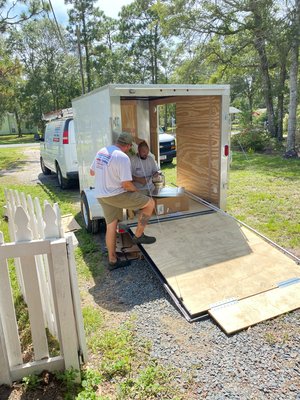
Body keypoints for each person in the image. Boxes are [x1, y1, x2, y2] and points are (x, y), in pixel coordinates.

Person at [90, 132, 156, 270]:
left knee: (111, 226)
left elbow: (92, 172)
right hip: (115, 195)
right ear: (128, 146)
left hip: (101, 195)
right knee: (150, 203)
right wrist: (137, 192)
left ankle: (112, 260)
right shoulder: (122, 157)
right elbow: (126, 184)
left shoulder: (102, 151)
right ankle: (139, 235)